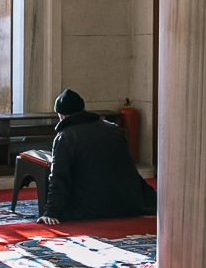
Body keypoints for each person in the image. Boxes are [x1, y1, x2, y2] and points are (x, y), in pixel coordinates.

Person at [36, 89, 157, 225]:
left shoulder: (65, 137)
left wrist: (52, 212)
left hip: (93, 207)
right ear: (84, 109)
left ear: (62, 116)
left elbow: (59, 177)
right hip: (129, 202)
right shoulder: (114, 129)